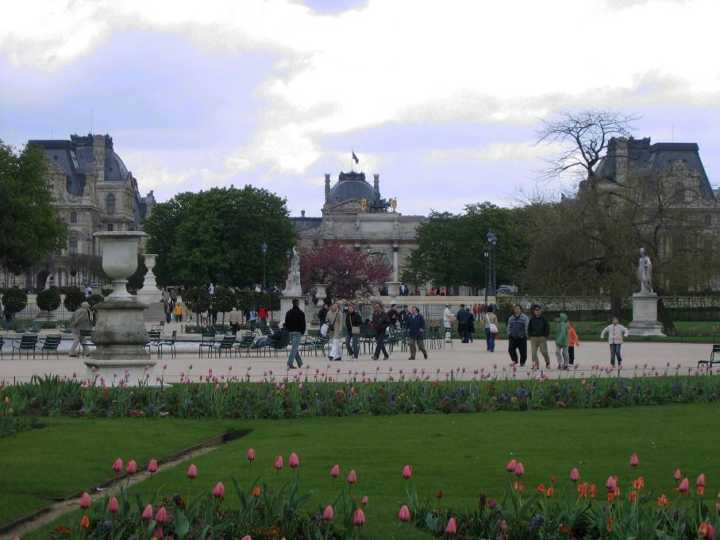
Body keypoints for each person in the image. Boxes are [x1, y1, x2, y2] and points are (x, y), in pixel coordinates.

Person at [284, 299, 306, 369]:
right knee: (294, 348)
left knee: (295, 349)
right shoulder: (301, 313)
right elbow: (303, 324)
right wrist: (302, 332)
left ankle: (300, 363)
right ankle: (289, 363)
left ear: (292, 303)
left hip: (290, 332)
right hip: (297, 332)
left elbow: (286, 323)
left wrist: (287, 331)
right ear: (298, 304)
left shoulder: (288, 312)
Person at [527, 304, 551, 369]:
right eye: (536, 310)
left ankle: (547, 362)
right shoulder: (532, 319)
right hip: (533, 338)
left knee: (544, 352)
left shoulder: (544, 319)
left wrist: (545, 336)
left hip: (542, 338)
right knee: (533, 353)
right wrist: (530, 335)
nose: (537, 311)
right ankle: (536, 365)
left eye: (538, 310)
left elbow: (547, 328)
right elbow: (529, 328)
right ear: (534, 311)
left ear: (541, 311)